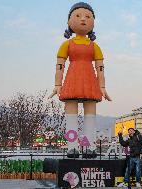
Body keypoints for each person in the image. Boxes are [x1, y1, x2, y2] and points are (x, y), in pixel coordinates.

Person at [49, 2, 111, 157]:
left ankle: (90, 147)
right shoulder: (66, 45)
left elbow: (100, 68)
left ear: (93, 22)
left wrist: (102, 87)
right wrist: (58, 84)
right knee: (71, 114)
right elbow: (59, 66)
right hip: (72, 79)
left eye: (88, 16)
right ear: (69, 21)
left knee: (90, 114)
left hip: (90, 81)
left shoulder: (95, 46)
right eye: (78, 16)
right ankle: (72, 147)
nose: (83, 19)